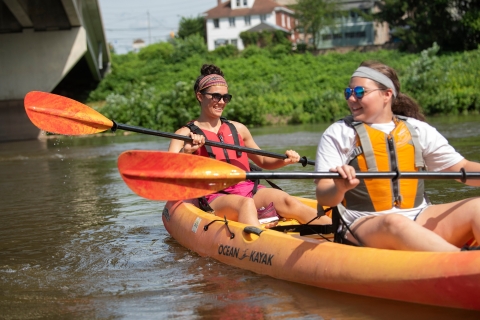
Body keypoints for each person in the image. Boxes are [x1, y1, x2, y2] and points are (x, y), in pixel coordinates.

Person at [315, 60, 480, 252]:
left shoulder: (417, 129)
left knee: (477, 207)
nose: (352, 99)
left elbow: (463, 168)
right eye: (348, 93)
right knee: (395, 222)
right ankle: (463, 264)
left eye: (360, 92)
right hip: (362, 223)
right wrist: (339, 188)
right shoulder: (338, 133)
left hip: (420, 216)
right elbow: (323, 195)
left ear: (387, 95)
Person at [168, 64, 331, 228]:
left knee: (287, 200)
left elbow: (263, 161)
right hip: (214, 197)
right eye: (216, 96)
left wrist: (285, 160)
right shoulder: (183, 134)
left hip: (248, 189)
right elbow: (167, 173)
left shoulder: (239, 129)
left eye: (226, 97)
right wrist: (186, 152)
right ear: (200, 96)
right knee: (245, 205)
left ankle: (343, 236)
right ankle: (264, 245)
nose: (222, 102)